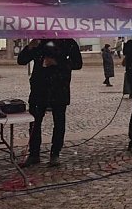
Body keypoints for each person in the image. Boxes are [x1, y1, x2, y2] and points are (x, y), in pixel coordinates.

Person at [18, 38, 83, 167]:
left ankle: (55, 153)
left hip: (59, 87)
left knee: (59, 122)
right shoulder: (38, 42)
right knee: (34, 123)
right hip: (39, 88)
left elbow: (77, 63)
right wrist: (30, 47)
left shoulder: (68, 42)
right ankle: (34, 154)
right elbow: (21, 60)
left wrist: (57, 62)